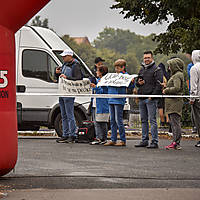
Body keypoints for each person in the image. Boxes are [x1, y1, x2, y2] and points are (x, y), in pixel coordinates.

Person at [135, 51, 162, 149]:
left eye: (148, 58)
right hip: (142, 98)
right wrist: (139, 83)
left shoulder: (157, 69)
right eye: (145, 58)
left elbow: (159, 84)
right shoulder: (141, 69)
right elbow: (137, 84)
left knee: (152, 120)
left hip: (151, 99)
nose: (146, 59)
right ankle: (144, 140)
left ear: (152, 58)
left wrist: (152, 96)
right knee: (143, 120)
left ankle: (154, 141)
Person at [104, 59, 134, 146]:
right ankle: (113, 139)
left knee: (119, 120)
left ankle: (122, 140)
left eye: (118, 67)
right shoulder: (113, 76)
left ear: (123, 67)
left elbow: (130, 86)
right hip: (111, 98)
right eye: (115, 67)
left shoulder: (126, 76)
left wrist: (132, 83)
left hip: (119, 99)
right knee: (112, 120)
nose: (116, 69)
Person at [56, 49, 83, 143]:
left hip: (69, 93)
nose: (63, 58)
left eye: (64, 56)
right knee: (63, 115)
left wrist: (67, 77)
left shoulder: (75, 65)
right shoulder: (64, 64)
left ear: (70, 56)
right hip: (62, 92)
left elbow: (79, 78)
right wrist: (58, 74)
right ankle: (65, 134)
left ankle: (72, 135)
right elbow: (60, 78)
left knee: (70, 115)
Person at [162, 58, 185, 150]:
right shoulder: (177, 75)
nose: (169, 68)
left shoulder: (177, 75)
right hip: (172, 102)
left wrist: (166, 90)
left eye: (170, 66)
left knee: (175, 123)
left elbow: (176, 88)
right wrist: (166, 85)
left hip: (174, 102)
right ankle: (175, 142)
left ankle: (176, 142)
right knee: (174, 123)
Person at [90, 66, 109, 145]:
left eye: (97, 71)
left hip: (102, 104)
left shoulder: (105, 81)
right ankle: (100, 138)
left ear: (101, 72)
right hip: (95, 103)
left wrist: (96, 87)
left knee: (101, 122)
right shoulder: (98, 80)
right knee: (96, 122)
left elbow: (103, 91)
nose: (96, 72)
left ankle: (102, 138)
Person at [190, 50, 200, 147]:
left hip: (198, 98)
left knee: (198, 119)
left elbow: (194, 86)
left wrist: (192, 99)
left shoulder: (194, 68)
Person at [157, 63, 169, 127]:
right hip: (167, 94)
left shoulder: (158, 75)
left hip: (159, 94)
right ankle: (167, 123)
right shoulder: (167, 75)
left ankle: (162, 123)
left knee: (160, 108)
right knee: (166, 108)